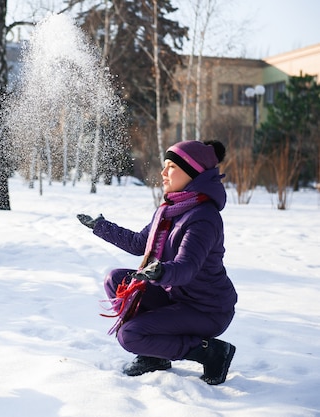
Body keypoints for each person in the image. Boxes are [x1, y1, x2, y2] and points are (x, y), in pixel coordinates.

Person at [77, 140, 238, 385]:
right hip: (176, 296)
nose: (163, 173)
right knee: (117, 280)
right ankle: (154, 356)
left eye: (171, 167)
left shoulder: (204, 218)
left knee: (129, 335)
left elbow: (186, 268)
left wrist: (160, 271)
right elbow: (140, 244)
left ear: (192, 172)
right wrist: (101, 227)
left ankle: (210, 351)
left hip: (206, 309)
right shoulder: (171, 209)